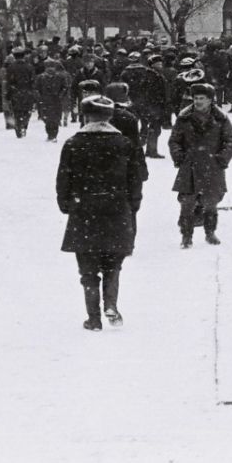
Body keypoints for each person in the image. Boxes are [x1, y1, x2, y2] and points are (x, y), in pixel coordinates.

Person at [56, 95, 144, 330]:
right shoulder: (124, 143)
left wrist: (66, 203)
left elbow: (63, 178)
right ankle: (111, 304)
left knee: (88, 269)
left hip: (84, 210)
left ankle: (93, 318)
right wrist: (132, 204)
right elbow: (135, 179)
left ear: (86, 116)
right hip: (117, 209)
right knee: (113, 264)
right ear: (109, 117)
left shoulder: (73, 143)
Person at [168, 83, 232, 248]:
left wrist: (222, 159)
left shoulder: (221, 119)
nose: (198, 101)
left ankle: (210, 233)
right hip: (189, 167)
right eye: (196, 98)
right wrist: (179, 157)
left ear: (210, 100)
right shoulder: (184, 118)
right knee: (187, 204)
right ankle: (186, 236)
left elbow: (230, 141)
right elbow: (174, 140)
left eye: (202, 98)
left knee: (211, 203)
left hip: (212, 166)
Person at [35, 59, 70, 141]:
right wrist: (39, 98)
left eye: (52, 67)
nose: (50, 69)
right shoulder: (40, 77)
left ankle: (54, 135)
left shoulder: (60, 77)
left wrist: (60, 96)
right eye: (48, 67)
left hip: (56, 101)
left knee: (56, 119)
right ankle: (49, 133)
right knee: (46, 119)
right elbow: (36, 89)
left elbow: (65, 87)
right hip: (45, 101)